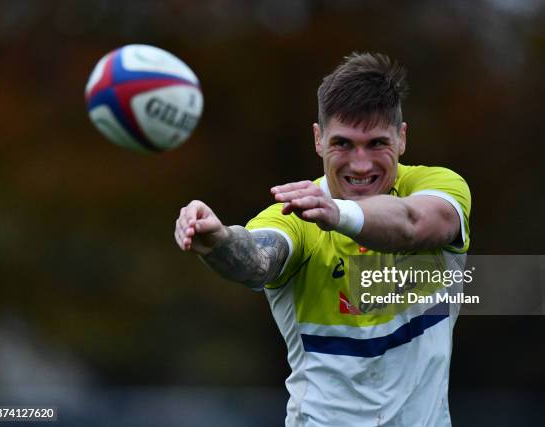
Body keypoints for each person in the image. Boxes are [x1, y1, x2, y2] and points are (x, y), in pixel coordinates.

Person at [174, 52, 471, 427]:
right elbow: (255, 257)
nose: (360, 164)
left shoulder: (438, 187)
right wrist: (218, 242)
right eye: (343, 144)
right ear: (318, 139)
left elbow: (416, 223)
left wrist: (340, 213)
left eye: (377, 143)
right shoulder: (296, 214)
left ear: (402, 138)